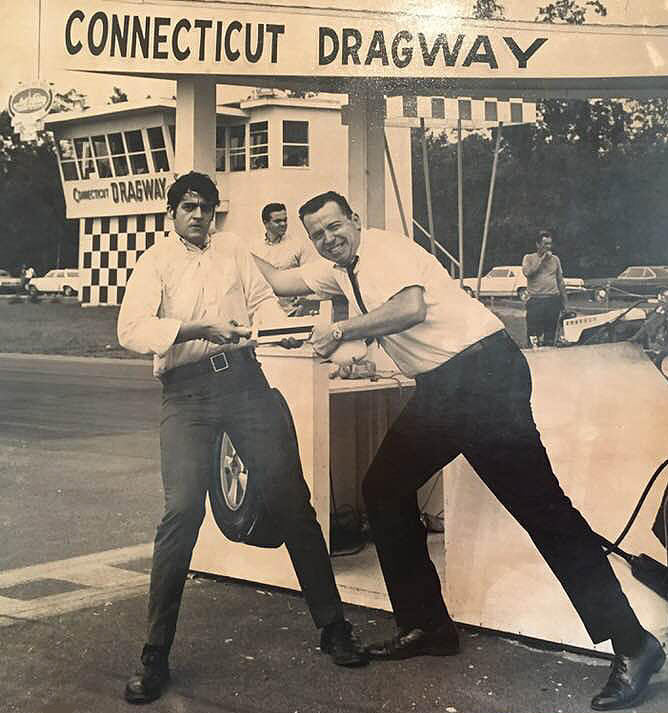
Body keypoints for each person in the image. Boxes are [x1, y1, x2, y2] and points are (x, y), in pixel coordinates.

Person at [253, 190, 665, 712]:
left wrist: (340, 330)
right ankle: (427, 625)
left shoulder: (385, 248)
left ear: (355, 220)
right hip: (443, 389)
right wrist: (229, 249)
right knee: (383, 488)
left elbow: (409, 307)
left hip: (482, 375)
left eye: (335, 227)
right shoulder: (339, 269)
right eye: (317, 234)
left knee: (544, 513)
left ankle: (634, 645)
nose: (328, 239)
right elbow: (283, 280)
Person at [117, 174, 367, 704]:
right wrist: (197, 328)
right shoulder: (155, 260)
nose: (199, 215)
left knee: (293, 501)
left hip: (245, 383)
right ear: (172, 212)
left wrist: (288, 327)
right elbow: (132, 329)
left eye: (207, 207)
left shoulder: (232, 249)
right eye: (189, 207)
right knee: (181, 513)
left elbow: (263, 305)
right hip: (185, 393)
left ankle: (334, 629)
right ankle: (154, 655)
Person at [250, 202, 318, 315]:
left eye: (285, 220)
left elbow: (312, 275)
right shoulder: (255, 249)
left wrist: (303, 302)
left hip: (296, 312)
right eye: (277, 221)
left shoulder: (298, 245)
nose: (283, 224)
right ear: (265, 223)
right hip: (267, 313)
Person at [522, 230, 568, 346]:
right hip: (536, 300)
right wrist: (542, 259)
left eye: (549, 244)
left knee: (550, 335)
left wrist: (565, 303)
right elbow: (528, 272)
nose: (548, 247)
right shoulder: (529, 258)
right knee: (533, 335)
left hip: (553, 300)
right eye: (545, 244)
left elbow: (560, 281)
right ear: (538, 245)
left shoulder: (555, 260)